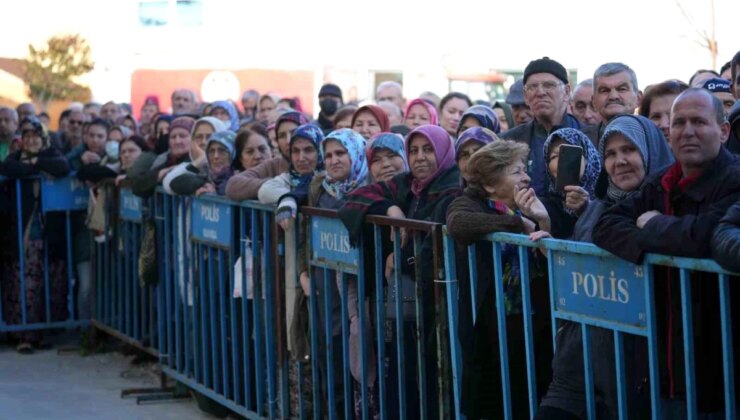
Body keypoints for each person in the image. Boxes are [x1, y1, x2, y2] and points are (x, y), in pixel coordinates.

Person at [593, 88, 740, 417]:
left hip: (723, 362)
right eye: (679, 123)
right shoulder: (662, 181)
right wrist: (656, 240)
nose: (687, 131)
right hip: (668, 363)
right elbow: (605, 225)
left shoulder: (735, 179)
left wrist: (655, 226)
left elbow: (708, 235)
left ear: (724, 130)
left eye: (699, 122)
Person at [537, 115, 674, 420]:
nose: (620, 161)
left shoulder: (669, 208)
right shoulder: (593, 209)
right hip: (576, 368)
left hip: (638, 373)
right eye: (611, 153)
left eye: (629, 150)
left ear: (650, 150)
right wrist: (554, 247)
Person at [339, 124, 460, 419]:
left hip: (441, 304)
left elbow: (437, 245)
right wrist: (391, 208)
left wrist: (401, 256)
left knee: (435, 383)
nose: (419, 157)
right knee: (403, 380)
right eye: (414, 150)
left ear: (444, 152)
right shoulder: (407, 185)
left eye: (428, 149)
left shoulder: (454, 189)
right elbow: (354, 199)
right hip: (409, 306)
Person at [446, 139, 552, 420]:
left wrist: (543, 222)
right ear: (491, 184)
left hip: (535, 325)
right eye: (516, 171)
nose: (527, 176)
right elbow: (458, 224)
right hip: (492, 329)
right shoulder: (469, 202)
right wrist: (516, 222)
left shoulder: (531, 202)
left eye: (525, 169)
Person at [277, 128, 371, 418]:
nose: (333, 160)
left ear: (355, 154)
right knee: (325, 359)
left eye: (340, 153)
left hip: (354, 292)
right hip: (320, 288)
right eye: (328, 155)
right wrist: (304, 271)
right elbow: (308, 229)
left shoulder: (370, 188)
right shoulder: (321, 187)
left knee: (352, 363)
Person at [0, 118, 71, 353]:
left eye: (36, 136)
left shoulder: (52, 154)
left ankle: (42, 332)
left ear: (44, 138)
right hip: (23, 234)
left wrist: (37, 161)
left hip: (49, 233)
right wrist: (34, 167)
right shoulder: (14, 157)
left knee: (49, 283)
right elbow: (8, 168)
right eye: (27, 136)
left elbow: (62, 167)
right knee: (23, 283)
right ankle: (23, 335)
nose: (31, 140)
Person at [501, 57, 595, 197]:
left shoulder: (591, 137)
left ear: (567, 91)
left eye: (549, 85)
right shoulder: (508, 142)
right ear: (526, 96)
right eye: (532, 87)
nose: (540, 93)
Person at [225, 111, 307, 201]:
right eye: (282, 136)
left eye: (294, 132)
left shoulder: (319, 163)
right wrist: (275, 184)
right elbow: (233, 185)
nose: (288, 140)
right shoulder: (273, 165)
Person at [541, 128, 602, 239]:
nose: (562, 161)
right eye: (554, 157)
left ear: (588, 157)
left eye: (570, 153)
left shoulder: (606, 199)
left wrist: (587, 210)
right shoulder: (545, 207)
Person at [129, 116, 195, 198]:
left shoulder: (197, 162)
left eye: (183, 136)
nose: (177, 141)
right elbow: (137, 186)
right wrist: (160, 174)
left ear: (194, 138)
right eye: (173, 137)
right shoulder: (167, 161)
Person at [164, 131, 236, 196]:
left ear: (233, 153)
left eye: (222, 151)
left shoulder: (239, 177)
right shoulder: (205, 173)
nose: (215, 156)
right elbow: (174, 183)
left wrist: (213, 195)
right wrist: (203, 184)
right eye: (211, 151)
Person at [586, 62, 642, 142]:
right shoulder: (580, 142)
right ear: (594, 101)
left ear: (638, 98)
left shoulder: (653, 138)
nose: (613, 96)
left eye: (622, 89)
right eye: (604, 90)